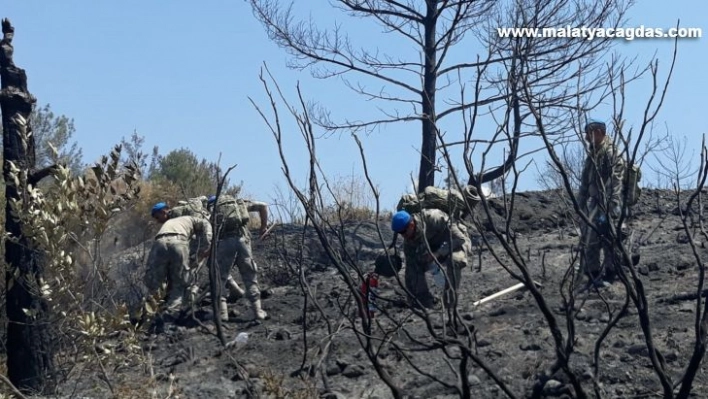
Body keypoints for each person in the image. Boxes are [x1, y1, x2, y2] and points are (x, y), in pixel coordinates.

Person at [391, 208, 472, 310]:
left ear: (411, 224)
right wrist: (411, 298)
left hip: (456, 242)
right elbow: (409, 271)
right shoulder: (408, 241)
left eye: (403, 232)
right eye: (400, 233)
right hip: (435, 249)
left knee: (454, 261)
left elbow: (460, 239)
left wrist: (438, 253)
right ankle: (424, 304)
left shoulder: (434, 217)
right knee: (415, 266)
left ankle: (450, 306)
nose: (403, 236)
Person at [577, 120, 625, 288]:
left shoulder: (611, 153)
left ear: (598, 132)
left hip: (608, 204)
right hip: (594, 203)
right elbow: (585, 181)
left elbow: (616, 179)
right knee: (590, 239)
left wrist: (611, 205)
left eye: (589, 133)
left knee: (609, 239)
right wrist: (580, 204)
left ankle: (613, 274)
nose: (586, 138)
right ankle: (594, 275)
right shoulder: (593, 154)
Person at [145, 202, 213, 317]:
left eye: (157, 217)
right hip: (178, 242)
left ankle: (149, 313)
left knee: (155, 281)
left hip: (159, 244)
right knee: (180, 283)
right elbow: (206, 223)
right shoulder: (190, 219)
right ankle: (171, 313)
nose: (157, 221)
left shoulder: (170, 223)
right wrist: (207, 245)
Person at [208, 195, 269, 321]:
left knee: (219, 278)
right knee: (250, 276)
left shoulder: (210, 210)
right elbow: (263, 205)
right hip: (242, 242)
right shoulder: (238, 204)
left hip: (224, 243)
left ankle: (222, 314)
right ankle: (258, 312)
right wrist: (263, 227)